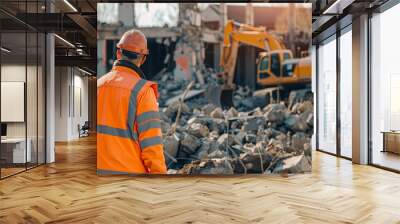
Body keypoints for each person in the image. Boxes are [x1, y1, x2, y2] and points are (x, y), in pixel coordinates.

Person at [97, 29, 167, 174]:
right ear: (143, 58)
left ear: (118, 52)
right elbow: (152, 147)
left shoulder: (98, 86)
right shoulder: (143, 91)